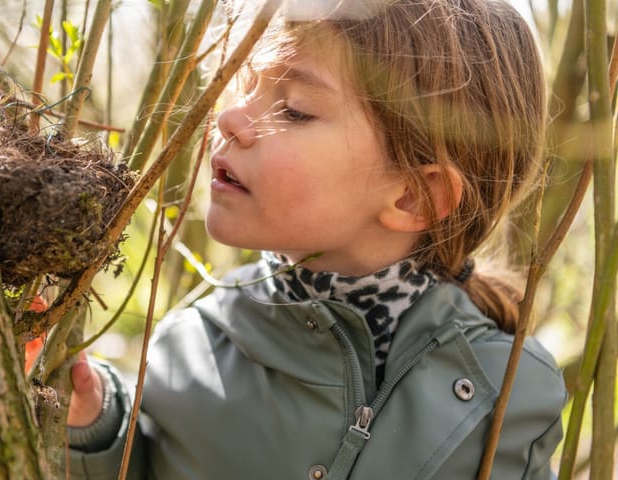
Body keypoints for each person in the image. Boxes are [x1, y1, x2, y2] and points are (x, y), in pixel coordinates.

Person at [64, 0, 567, 477]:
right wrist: (95, 429)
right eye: (244, 84)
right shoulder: (187, 349)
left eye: (295, 109)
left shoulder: (508, 392)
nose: (230, 119)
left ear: (415, 197)